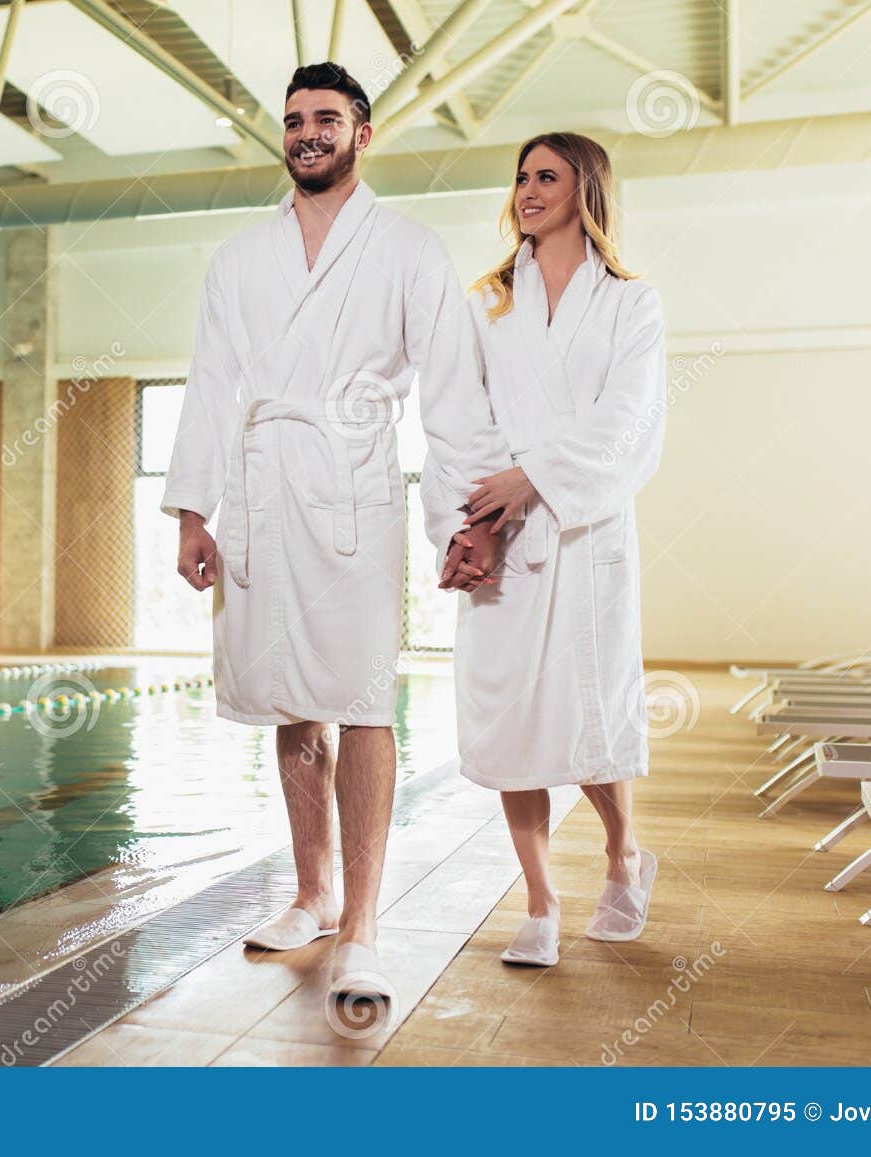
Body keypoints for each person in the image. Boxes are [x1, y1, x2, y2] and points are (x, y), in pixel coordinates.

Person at [162, 62, 509, 1005]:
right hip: (264, 489)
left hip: (355, 487)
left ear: (363, 132)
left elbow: (451, 398)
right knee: (289, 699)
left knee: (360, 697)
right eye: (293, 121)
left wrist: (463, 521)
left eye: (325, 118)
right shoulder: (238, 259)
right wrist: (196, 511)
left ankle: (363, 921)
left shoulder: (406, 248)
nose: (306, 133)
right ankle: (312, 892)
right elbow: (210, 385)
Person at [449, 131, 668, 967]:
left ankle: (622, 851)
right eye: (522, 177)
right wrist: (473, 519)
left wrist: (532, 477)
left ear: (587, 190)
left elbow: (627, 422)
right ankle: (539, 898)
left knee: (590, 712)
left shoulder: (629, 302)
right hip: (502, 533)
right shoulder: (488, 300)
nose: (529, 189)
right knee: (509, 716)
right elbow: (462, 415)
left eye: (548, 175)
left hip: (584, 530)